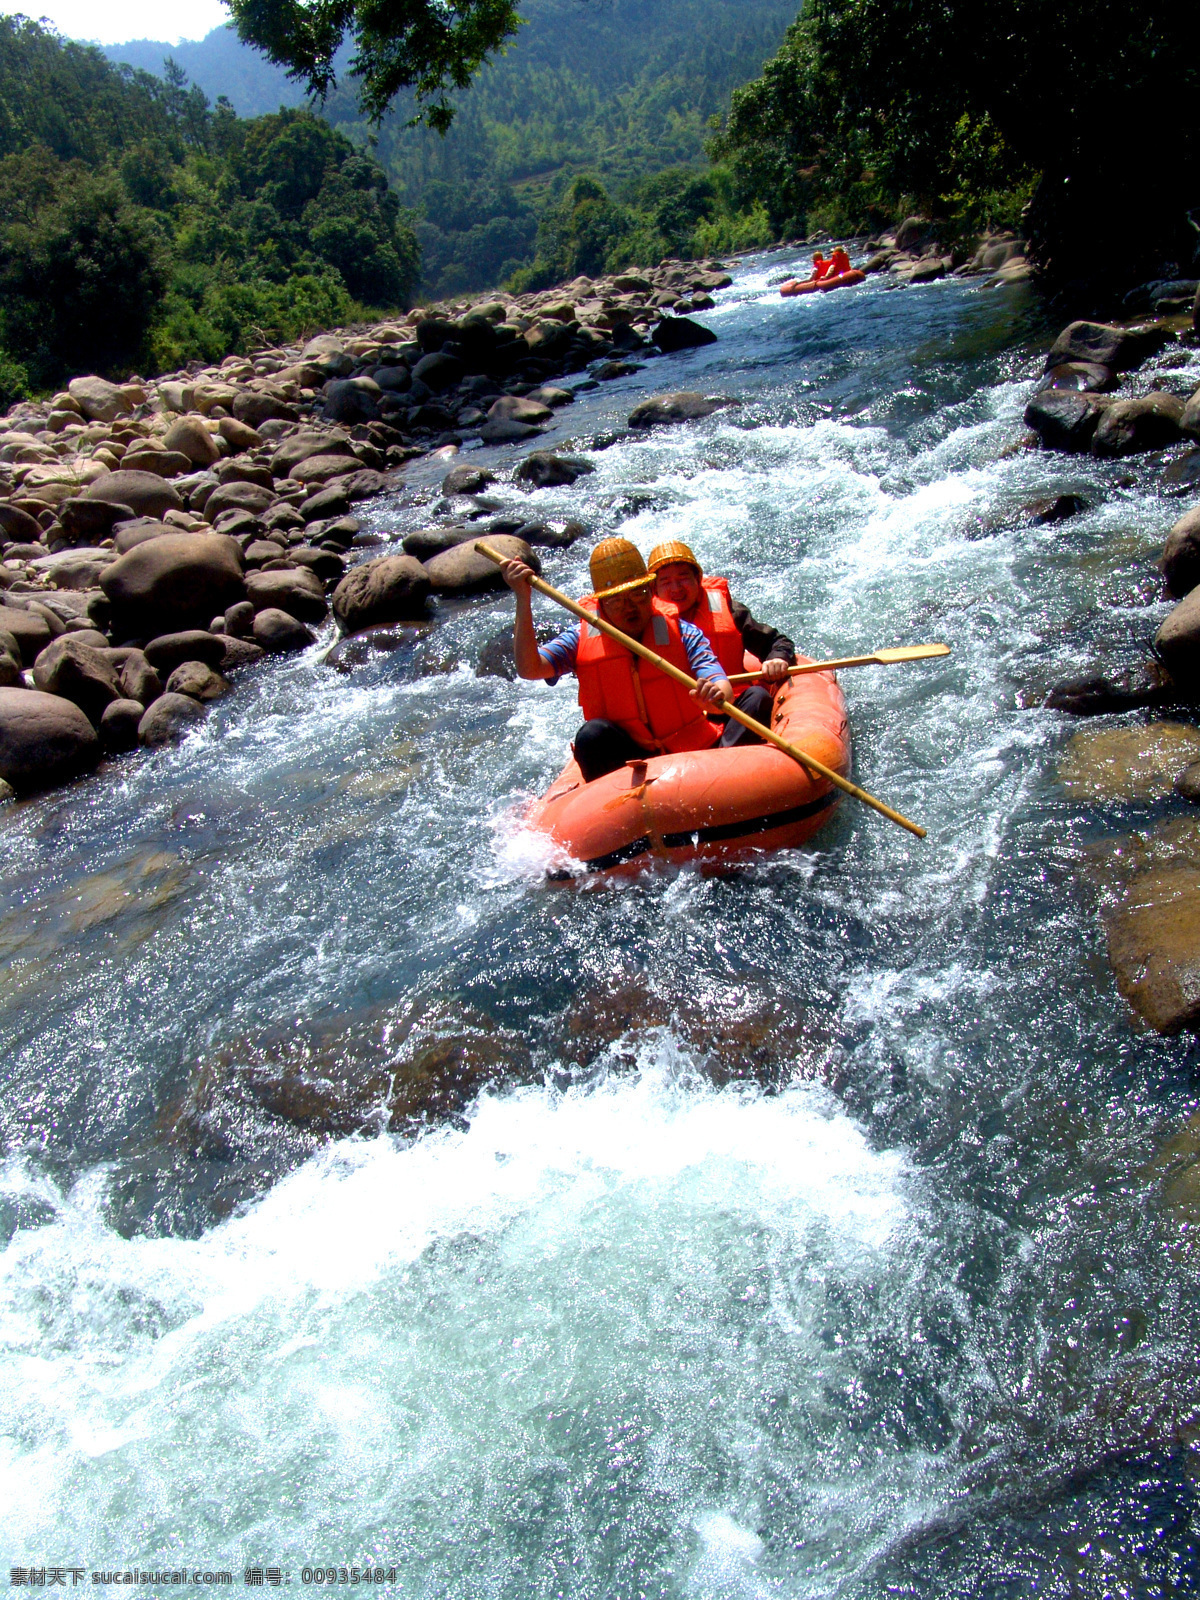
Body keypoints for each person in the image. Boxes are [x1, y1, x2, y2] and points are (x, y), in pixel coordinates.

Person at [499, 538, 766, 783]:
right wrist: (523, 600)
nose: (629, 606)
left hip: (694, 750)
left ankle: (727, 785)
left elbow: (720, 682)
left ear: (650, 592)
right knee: (592, 735)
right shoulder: (579, 638)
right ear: (601, 604)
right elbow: (530, 669)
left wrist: (715, 696)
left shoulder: (683, 632)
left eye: (637, 594)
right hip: (629, 761)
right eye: (617, 600)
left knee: (756, 698)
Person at [648, 539, 796, 737]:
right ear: (654, 589)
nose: (676, 588)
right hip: (677, 721)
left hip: (729, 706)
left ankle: (729, 757)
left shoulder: (730, 610)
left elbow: (776, 642)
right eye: (665, 581)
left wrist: (777, 658)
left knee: (758, 697)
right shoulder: (644, 624)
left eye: (683, 578)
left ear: (697, 579)